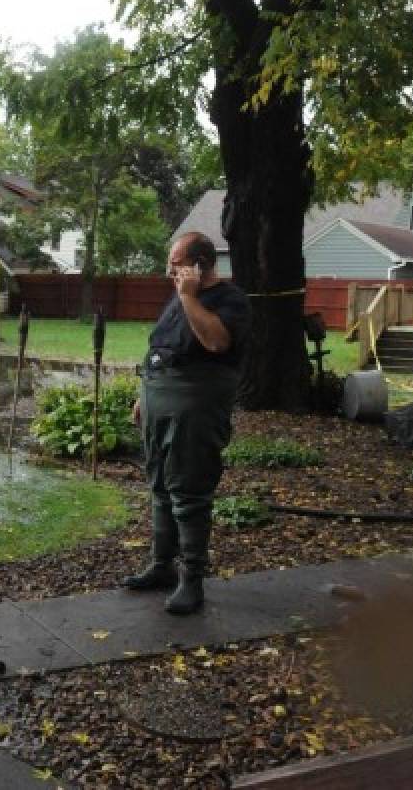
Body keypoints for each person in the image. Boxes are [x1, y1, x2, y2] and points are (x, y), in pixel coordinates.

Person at [123, 232, 250, 615]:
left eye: (176, 263)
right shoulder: (179, 298)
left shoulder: (229, 300)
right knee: (160, 485)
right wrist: (143, 397)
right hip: (159, 402)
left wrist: (190, 296)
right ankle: (161, 566)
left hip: (195, 409)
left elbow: (214, 343)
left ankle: (191, 579)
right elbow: (161, 348)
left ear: (200, 265)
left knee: (189, 490)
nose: (170, 271)